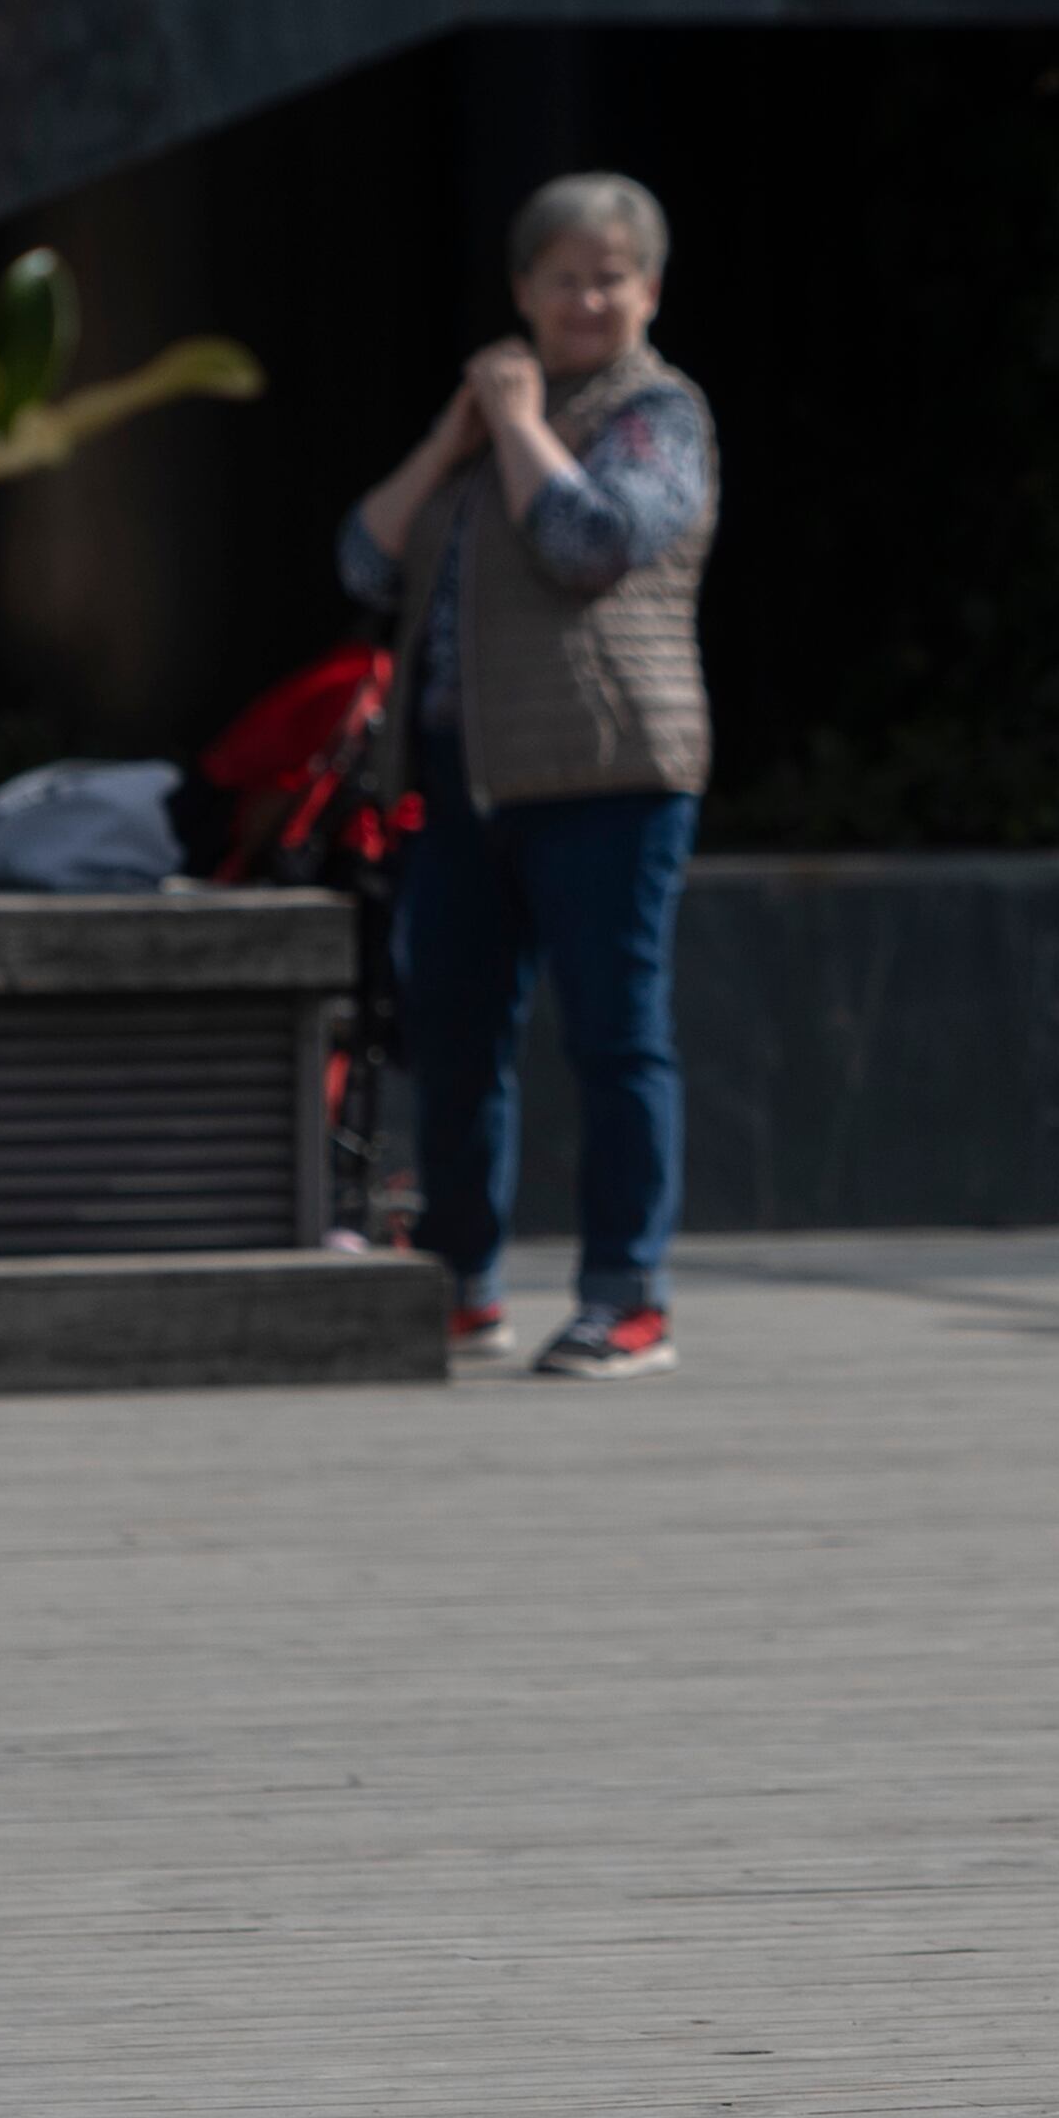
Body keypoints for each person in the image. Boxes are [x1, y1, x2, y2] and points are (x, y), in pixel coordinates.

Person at [338, 172, 720, 1380]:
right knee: (452, 1034)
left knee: (615, 1037)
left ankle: (628, 1297)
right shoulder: (484, 429)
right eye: (563, 277)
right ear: (523, 291)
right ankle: (461, 1281)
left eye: (610, 274)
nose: (586, 298)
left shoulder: (657, 412)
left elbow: (592, 542)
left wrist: (513, 425)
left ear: (650, 288)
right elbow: (361, 558)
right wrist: (457, 433)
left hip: (610, 773)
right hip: (466, 778)